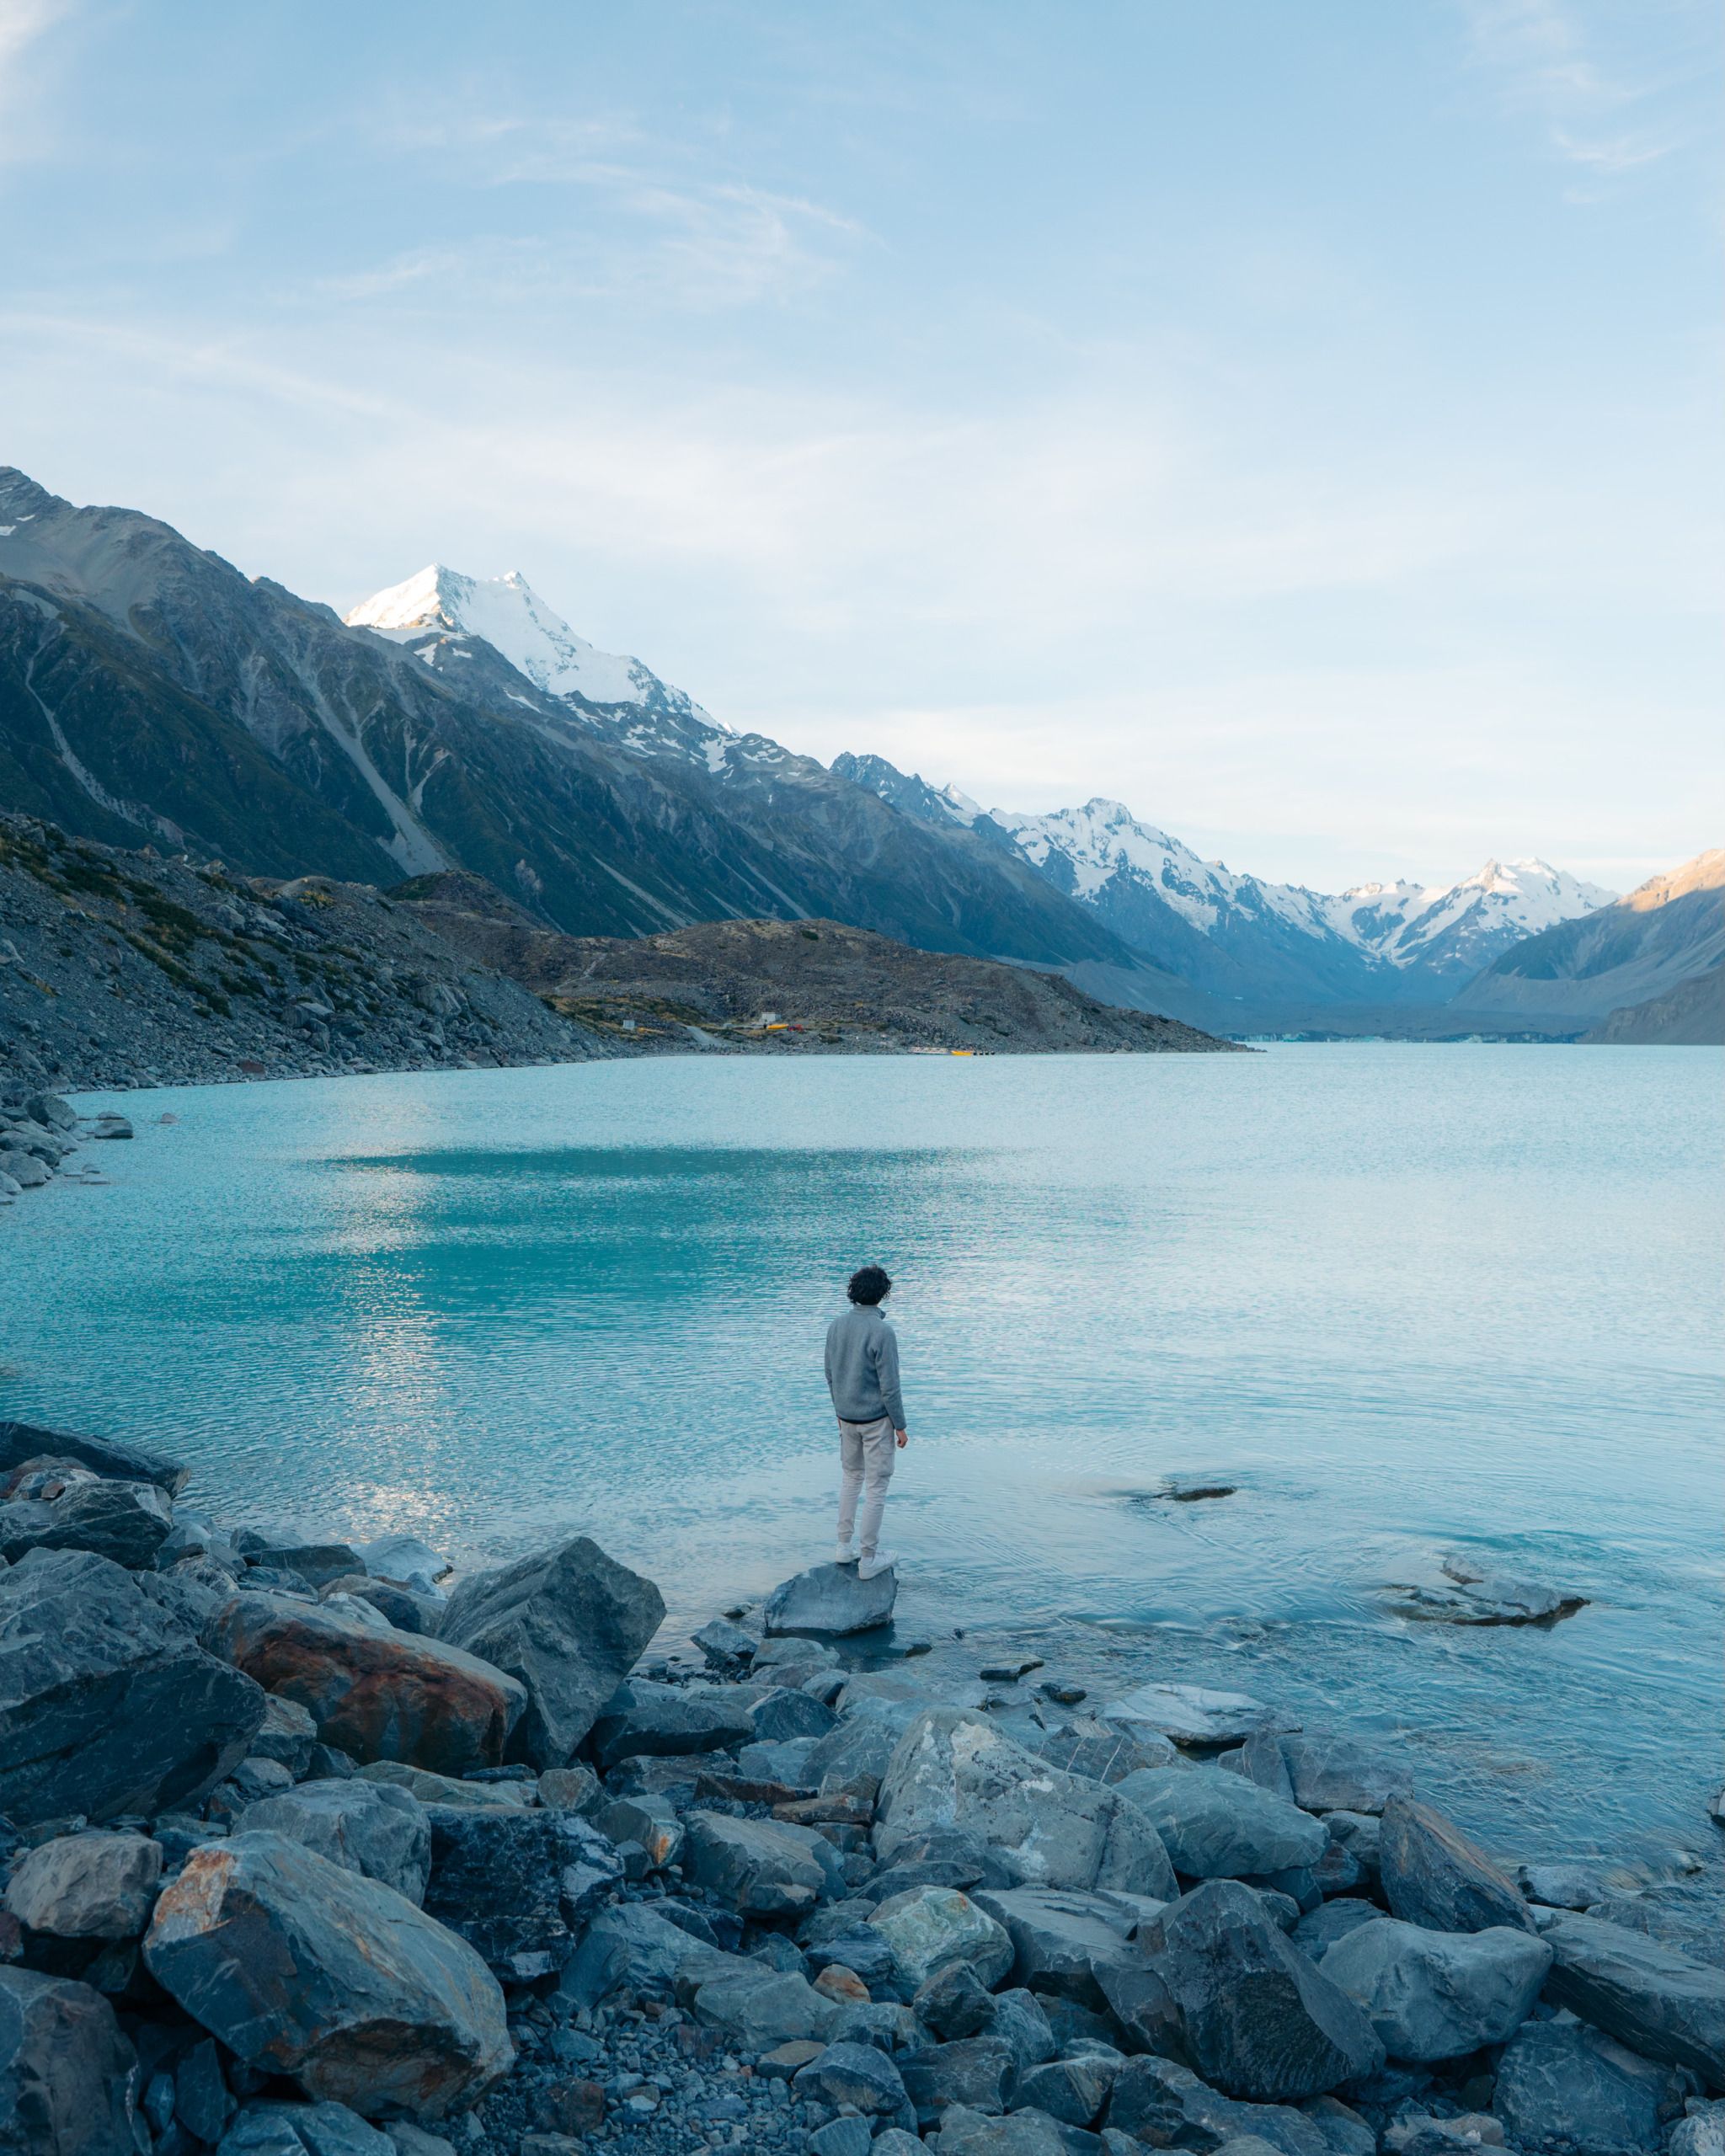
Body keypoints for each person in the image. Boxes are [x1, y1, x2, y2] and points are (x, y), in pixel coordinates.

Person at [824, 1263, 909, 1579]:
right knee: (876, 1487)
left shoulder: (836, 1326)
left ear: (853, 1292)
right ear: (883, 1295)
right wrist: (900, 1425)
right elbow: (890, 1385)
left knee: (851, 1479)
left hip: (846, 1418)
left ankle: (843, 1548)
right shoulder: (882, 1332)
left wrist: (838, 1411)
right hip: (875, 1421)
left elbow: (830, 1374)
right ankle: (869, 1558)